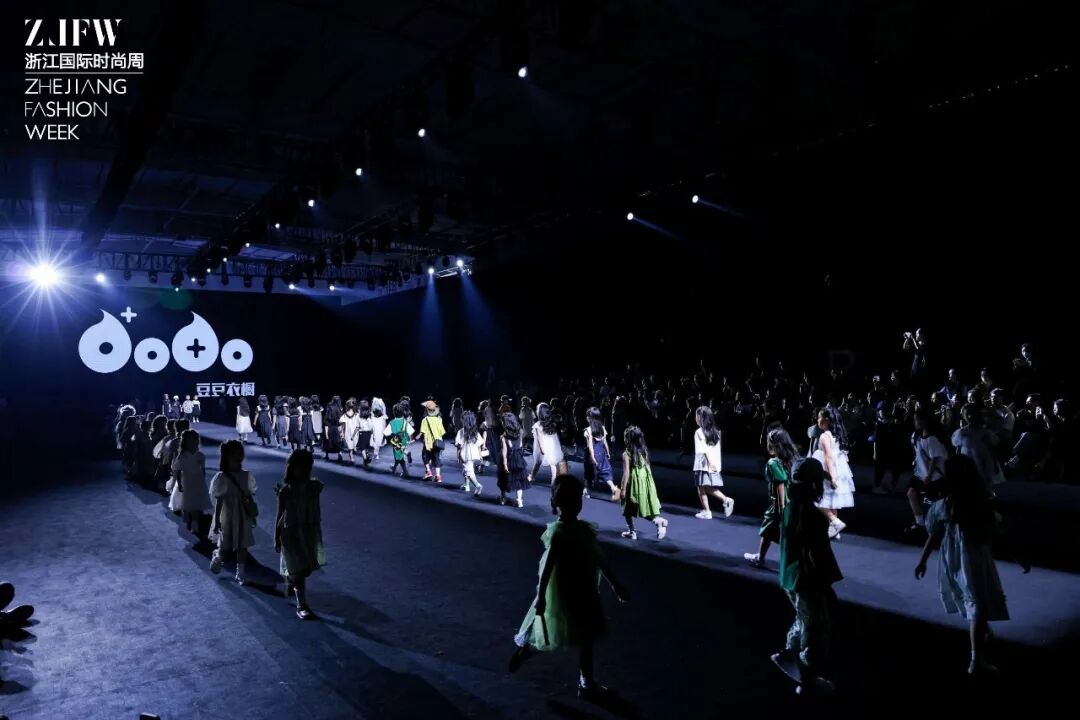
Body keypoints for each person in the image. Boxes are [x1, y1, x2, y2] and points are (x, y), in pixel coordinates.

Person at [508, 474, 629, 701]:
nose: (577, 504)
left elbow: (596, 557)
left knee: (570, 631)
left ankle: (583, 681)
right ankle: (583, 682)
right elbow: (552, 566)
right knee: (576, 633)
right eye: (574, 500)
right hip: (574, 590)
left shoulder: (577, 531)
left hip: (575, 589)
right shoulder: (563, 533)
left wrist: (615, 584)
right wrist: (541, 596)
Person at [915, 456, 1015, 675]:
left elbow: (933, 535)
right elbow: (997, 532)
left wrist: (922, 561)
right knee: (977, 600)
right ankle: (976, 660)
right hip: (974, 556)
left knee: (971, 595)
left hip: (953, 557)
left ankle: (980, 635)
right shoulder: (978, 504)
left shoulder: (945, 505)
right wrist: (1017, 555)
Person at [772, 457, 842, 695]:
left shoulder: (791, 508)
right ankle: (808, 678)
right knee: (815, 627)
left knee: (805, 619)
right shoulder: (811, 515)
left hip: (791, 576)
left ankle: (790, 655)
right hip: (807, 579)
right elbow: (815, 552)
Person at [274, 449, 325, 620]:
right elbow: (280, 515)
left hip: (308, 531)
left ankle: (291, 579)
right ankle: (301, 604)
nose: (303, 471)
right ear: (292, 467)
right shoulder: (286, 491)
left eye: (307, 467)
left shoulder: (312, 487)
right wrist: (276, 536)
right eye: (300, 467)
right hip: (291, 532)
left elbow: (319, 488)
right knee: (300, 569)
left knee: (307, 567)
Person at [745, 428, 797, 567]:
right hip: (791, 502)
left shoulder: (773, 463)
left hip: (779, 504)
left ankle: (761, 558)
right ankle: (761, 557)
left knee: (768, 531)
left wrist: (781, 507)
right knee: (777, 532)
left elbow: (780, 484)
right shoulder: (791, 461)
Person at [209, 440, 257, 585]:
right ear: (226, 457)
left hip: (243, 516)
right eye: (233, 454)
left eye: (239, 453)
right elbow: (219, 501)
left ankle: (240, 573)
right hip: (228, 516)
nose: (237, 457)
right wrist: (217, 521)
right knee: (226, 545)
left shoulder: (246, 475)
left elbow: (249, 495)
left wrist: (251, 514)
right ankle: (218, 556)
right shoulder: (222, 477)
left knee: (242, 545)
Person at [810, 408, 854, 539]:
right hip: (839, 467)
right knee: (832, 499)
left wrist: (832, 476)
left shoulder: (824, 436)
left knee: (816, 497)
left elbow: (828, 456)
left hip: (827, 468)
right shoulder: (836, 435)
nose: (817, 420)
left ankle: (835, 522)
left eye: (819, 417)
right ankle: (834, 528)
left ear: (826, 420)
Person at [905, 408, 948, 539]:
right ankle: (920, 522)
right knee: (912, 493)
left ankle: (936, 526)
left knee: (936, 501)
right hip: (922, 474)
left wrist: (929, 475)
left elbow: (935, 459)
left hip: (933, 477)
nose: (915, 422)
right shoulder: (919, 437)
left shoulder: (931, 439)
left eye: (916, 420)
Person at [619, 425, 667, 540]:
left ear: (628, 439)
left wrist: (623, 489)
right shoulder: (643, 451)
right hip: (645, 482)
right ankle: (657, 521)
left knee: (627, 508)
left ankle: (632, 531)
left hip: (633, 483)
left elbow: (626, 473)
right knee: (642, 508)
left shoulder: (626, 454)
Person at [692, 406, 734, 520]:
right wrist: (715, 464)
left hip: (702, 463)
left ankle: (707, 511)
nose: (695, 418)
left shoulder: (699, 432)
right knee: (707, 487)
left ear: (701, 418)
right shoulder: (716, 432)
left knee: (701, 488)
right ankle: (725, 500)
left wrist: (710, 462)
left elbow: (703, 449)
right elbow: (717, 450)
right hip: (712, 464)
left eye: (696, 416)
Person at [952, 404, 1003, 494]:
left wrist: (995, 464)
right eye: (967, 414)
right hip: (967, 463)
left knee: (984, 485)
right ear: (963, 415)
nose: (970, 416)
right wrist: (957, 464)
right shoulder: (961, 433)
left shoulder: (984, 432)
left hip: (984, 462)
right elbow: (958, 449)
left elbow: (991, 448)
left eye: (972, 414)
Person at [172, 429, 212, 542]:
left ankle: (196, 519)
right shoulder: (182, 456)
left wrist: (202, 480)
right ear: (185, 442)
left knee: (197, 502)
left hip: (198, 481)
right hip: (187, 481)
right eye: (190, 441)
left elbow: (202, 470)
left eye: (194, 441)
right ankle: (194, 523)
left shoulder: (200, 456)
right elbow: (178, 470)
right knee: (191, 502)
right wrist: (179, 483)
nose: (192, 443)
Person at [583, 407, 620, 501]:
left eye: (587, 416)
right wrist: (608, 452)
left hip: (592, 454)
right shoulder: (602, 428)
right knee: (605, 471)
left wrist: (592, 457)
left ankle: (586, 491)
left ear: (589, 418)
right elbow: (605, 442)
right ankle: (614, 488)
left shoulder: (588, 430)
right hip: (601, 453)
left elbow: (590, 445)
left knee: (588, 473)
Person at [530, 402, 564, 484]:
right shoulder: (551, 423)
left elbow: (540, 439)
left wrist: (543, 450)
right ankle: (553, 480)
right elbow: (555, 436)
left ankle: (532, 476)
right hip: (552, 445)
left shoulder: (538, 425)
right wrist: (558, 446)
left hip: (541, 447)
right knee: (553, 464)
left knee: (537, 462)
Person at [501, 413, 529, 507]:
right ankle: (519, 500)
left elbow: (504, 452)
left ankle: (503, 498)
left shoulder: (504, 436)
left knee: (504, 478)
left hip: (509, 458)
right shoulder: (520, 431)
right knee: (519, 479)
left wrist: (505, 464)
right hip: (518, 458)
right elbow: (520, 445)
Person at [455, 410, 485, 496]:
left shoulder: (461, 432)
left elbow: (459, 445)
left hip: (466, 454)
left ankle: (478, 485)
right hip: (474, 454)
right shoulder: (475, 432)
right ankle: (467, 485)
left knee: (468, 471)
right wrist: (480, 456)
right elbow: (479, 444)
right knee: (468, 469)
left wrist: (458, 456)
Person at [415, 400, 446, 482]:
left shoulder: (425, 420)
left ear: (427, 410)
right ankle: (438, 476)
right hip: (437, 443)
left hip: (428, 443)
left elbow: (424, 433)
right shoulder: (438, 420)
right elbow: (442, 432)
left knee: (425, 457)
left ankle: (428, 472)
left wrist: (426, 443)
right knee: (436, 458)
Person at [385, 401, 414, 478]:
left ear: (394, 413)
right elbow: (411, 431)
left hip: (396, 442)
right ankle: (394, 467)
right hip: (404, 440)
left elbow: (386, 433)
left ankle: (405, 472)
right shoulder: (405, 422)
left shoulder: (392, 422)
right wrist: (410, 439)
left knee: (399, 457)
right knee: (399, 456)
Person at [339, 398, 362, 465]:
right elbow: (358, 426)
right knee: (352, 445)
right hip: (354, 432)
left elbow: (341, 424)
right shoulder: (357, 415)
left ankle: (351, 456)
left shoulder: (345, 415)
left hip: (348, 433)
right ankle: (351, 457)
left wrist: (342, 433)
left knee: (350, 446)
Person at [322, 396, 344, 462]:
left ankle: (326, 455)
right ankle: (340, 454)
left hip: (329, 427)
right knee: (338, 442)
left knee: (328, 440)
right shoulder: (340, 408)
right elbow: (341, 420)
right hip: (337, 427)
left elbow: (326, 419)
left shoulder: (329, 407)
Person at [370, 397, 388, 462]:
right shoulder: (383, 416)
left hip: (375, 430)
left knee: (375, 442)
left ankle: (376, 453)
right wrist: (384, 431)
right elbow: (384, 424)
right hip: (380, 430)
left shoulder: (372, 415)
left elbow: (371, 424)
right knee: (378, 442)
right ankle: (376, 453)